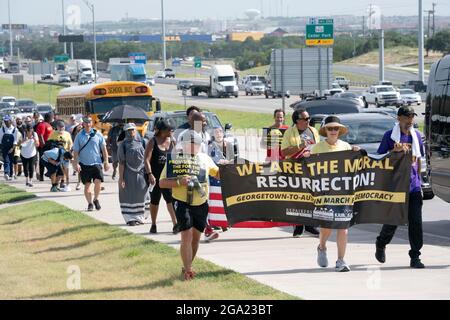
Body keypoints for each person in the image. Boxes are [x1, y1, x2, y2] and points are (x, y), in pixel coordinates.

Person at [159, 130, 220, 281]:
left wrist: (227, 167)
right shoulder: (175, 160)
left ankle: (187, 265)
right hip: (182, 202)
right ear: (183, 144)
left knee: (196, 239)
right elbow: (162, 182)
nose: (193, 147)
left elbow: (218, 174)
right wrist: (180, 182)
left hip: (201, 203)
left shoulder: (205, 159)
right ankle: (188, 270)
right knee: (186, 236)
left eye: (196, 144)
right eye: (189, 144)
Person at [375, 106, 426, 269]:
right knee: (393, 221)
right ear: (399, 118)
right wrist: (393, 151)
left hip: (413, 186)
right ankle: (381, 243)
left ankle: (415, 256)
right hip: (395, 186)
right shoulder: (389, 137)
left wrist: (420, 181)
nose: (410, 121)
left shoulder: (417, 136)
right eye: (406, 118)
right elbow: (380, 160)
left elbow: (419, 159)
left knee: (416, 223)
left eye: (411, 118)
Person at [311, 115, 360, 272]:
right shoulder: (317, 148)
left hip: (344, 193)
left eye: (336, 128)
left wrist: (356, 153)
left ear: (339, 130)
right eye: (330, 128)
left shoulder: (346, 146)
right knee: (327, 227)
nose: (333, 131)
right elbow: (309, 168)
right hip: (325, 193)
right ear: (325, 130)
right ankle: (322, 246)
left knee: (343, 227)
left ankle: (340, 260)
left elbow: (354, 167)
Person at [280, 109, 321, 237]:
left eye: (309, 118)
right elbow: (284, 153)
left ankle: (309, 225)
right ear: (297, 120)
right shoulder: (289, 132)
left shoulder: (313, 131)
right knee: (298, 196)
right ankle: (298, 225)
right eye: (306, 118)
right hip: (295, 169)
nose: (309, 120)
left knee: (311, 196)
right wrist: (300, 146)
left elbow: (318, 147)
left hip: (311, 169)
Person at [143, 119, 178, 233]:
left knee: (170, 200)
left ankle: (175, 224)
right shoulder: (152, 141)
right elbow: (146, 160)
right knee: (155, 201)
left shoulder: (173, 141)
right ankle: (153, 224)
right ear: (162, 131)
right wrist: (150, 174)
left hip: (168, 177)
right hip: (155, 177)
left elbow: (177, 158)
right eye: (169, 129)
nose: (171, 131)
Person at [73, 116, 110, 211]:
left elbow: (104, 149)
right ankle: (90, 203)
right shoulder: (79, 136)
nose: (88, 124)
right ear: (83, 124)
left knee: (98, 182)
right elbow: (76, 152)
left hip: (96, 163)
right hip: (84, 164)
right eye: (86, 123)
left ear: (91, 123)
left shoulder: (98, 134)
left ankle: (96, 199)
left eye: (89, 122)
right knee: (87, 185)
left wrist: (106, 161)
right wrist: (76, 163)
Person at [117, 123, 151, 226]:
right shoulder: (122, 145)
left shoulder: (143, 142)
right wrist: (121, 178)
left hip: (141, 174)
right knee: (128, 196)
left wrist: (150, 174)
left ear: (136, 130)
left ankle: (140, 218)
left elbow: (147, 160)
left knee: (142, 194)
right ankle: (130, 219)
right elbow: (121, 163)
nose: (131, 132)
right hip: (128, 174)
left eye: (132, 130)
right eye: (128, 130)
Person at [49, 120, 73, 191]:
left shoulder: (67, 134)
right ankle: (55, 184)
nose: (61, 129)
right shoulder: (53, 134)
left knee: (66, 169)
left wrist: (69, 151)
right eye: (60, 127)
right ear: (57, 127)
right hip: (57, 155)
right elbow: (49, 143)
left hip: (65, 154)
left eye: (62, 127)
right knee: (58, 170)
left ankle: (64, 182)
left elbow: (70, 143)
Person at [35, 113, 54, 181]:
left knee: (50, 160)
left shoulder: (49, 124)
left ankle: (49, 173)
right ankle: (41, 176)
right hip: (44, 146)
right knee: (42, 161)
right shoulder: (42, 125)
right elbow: (40, 135)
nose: (52, 118)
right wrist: (43, 145)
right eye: (52, 117)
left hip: (50, 145)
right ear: (49, 118)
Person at [0, 115, 20, 180]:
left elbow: (15, 140)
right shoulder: (2, 129)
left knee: (11, 161)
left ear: (10, 121)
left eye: (7, 121)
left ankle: (11, 174)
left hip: (12, 147)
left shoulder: (15, 130)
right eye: (5, 121)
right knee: (6, 160)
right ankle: (6, 173)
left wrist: (12, 148)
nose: (6, 122)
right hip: (4, 146)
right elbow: (0, 139)